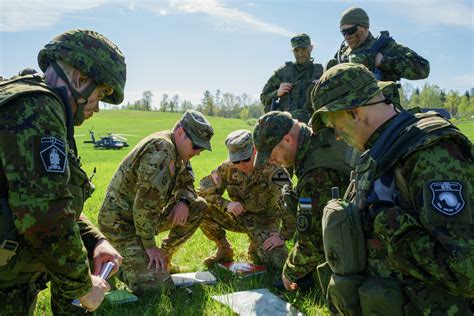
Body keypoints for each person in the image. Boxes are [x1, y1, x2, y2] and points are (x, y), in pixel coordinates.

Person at [311, 62, 473, 314]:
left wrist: (387, 220)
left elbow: (465, 271)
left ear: (354, 112)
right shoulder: (376, 153)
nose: (338, 137)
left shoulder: (432, 154)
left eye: (335, 126)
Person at [0, 29, 126, 314]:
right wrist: (82, 287)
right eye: (101, 94)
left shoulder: (22, 100)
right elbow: (46, 215)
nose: (97, 106)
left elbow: (44, 196)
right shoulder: (38, 109)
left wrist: (96, 240)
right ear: (81, 79)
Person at [98, 110, 213, 295]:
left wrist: (183, 201)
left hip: (144, 219)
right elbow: (144, 206)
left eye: (202, 148)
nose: (198, 152)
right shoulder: (162, 150)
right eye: (196, 146)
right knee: (157, 287)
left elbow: (188, 184)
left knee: (197, 205)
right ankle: (116, 264)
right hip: (120, 224)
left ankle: (164, 258)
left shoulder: (179, 152)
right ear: (180, 133)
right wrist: (150, 246)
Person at [252, 111, 355, 291]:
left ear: (287, 140)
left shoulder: (316, 175)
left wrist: (290, 272)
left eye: (272, 153)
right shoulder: (317, 138)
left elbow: (312, 241)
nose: (271, 161)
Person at [198, 130, 292, 270]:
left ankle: (256, 244)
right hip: (238, 217)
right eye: (236, 160)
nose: (242, 165)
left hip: (265, 222)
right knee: (199, 206)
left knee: (278, 262)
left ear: (255, 150)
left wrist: (283, 235)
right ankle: (224, 249)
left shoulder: (273, 168)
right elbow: (201, 192)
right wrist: (226, 204)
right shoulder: (226, 168)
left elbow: (290, 202)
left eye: (246, 159)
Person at [325, 7, 430, 109]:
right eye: (343, 32)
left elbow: (423, 68)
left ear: (365, 27)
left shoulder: (385, 47)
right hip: (348, 114)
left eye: (351, 31)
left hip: (383, 115)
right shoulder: (342, 54)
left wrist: (384, 62)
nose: (347, 36)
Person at [260, 34, 323, 123]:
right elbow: (263, 97)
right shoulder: (283, 72)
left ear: (311, 48)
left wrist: (322, 87)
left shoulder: (321, 72)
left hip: (313, 123)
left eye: (304, 49)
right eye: (296, 50)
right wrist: (277, 93)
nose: (300, 54)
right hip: (287, 124)